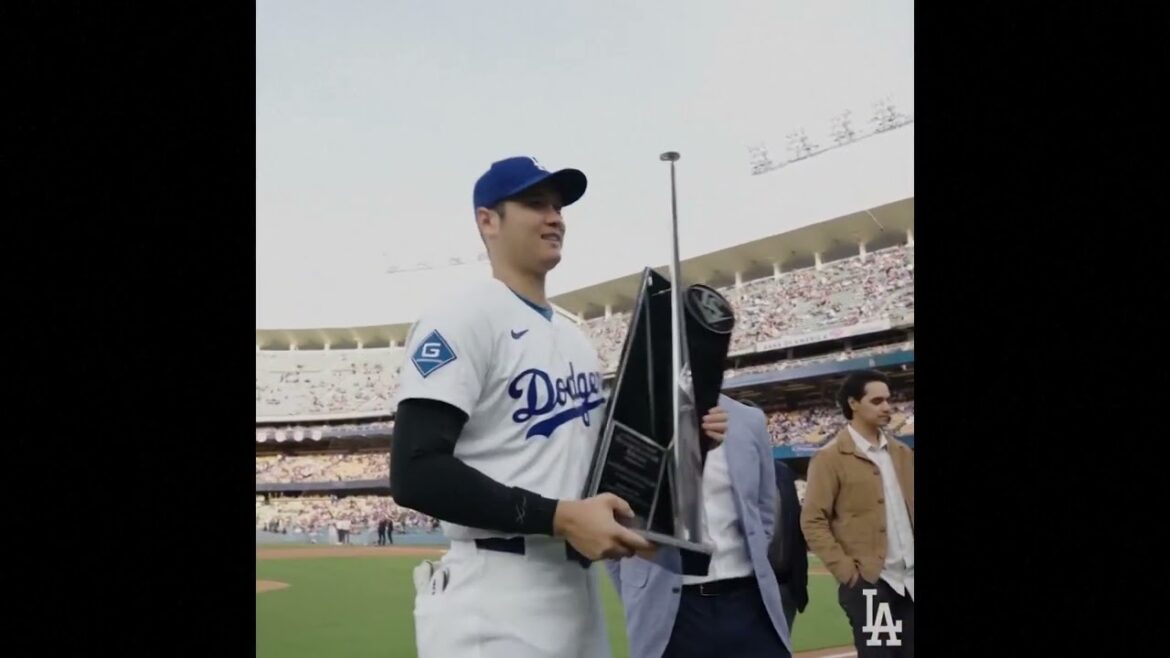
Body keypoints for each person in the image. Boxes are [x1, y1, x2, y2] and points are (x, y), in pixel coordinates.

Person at [391, 156, 726, 658]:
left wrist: (685, 447)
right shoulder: (462, 313)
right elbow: (415, 471)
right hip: (495, 590)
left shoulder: (573, 336)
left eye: (558, 205)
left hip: (577, 587)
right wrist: (560, 518)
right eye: (534, 204)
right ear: (488, 221)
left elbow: (593, 478)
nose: (555, 217)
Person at [605, 394, 793, 658]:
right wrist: (638, 586)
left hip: (748, 602)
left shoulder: (748, 419)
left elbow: (764, 512)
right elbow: (610, 523)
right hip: (670, 609)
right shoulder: (622, 417)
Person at [801, 370, 914, 657]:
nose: (887, 407)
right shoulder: (830, 458)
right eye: (877, 401)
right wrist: (849, 574)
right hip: (873, 586)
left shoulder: (902, 453)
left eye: (888, 400)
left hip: (910, 583)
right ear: (853, 403)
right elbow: (813, 520)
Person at [768, 457, 809, 631]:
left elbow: (795, 528)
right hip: (745, 591)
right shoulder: (723, 468)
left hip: (785, 586)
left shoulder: (783, 472)